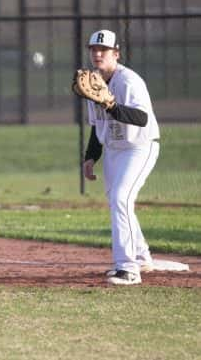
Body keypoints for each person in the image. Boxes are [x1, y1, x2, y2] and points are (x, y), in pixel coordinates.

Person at [81, 29, 160, 286]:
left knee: (120, 198)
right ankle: (141, 255)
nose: (97, 53)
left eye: (103, 50)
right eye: (93, 49)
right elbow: (97, 125)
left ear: (116, 54)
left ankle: (128, 268)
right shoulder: (92, 82)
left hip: (138, 147)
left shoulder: (128, 81)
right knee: (119, 202)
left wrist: (111, 105)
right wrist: (91, 156)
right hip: (114, 149)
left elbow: (141, 118)